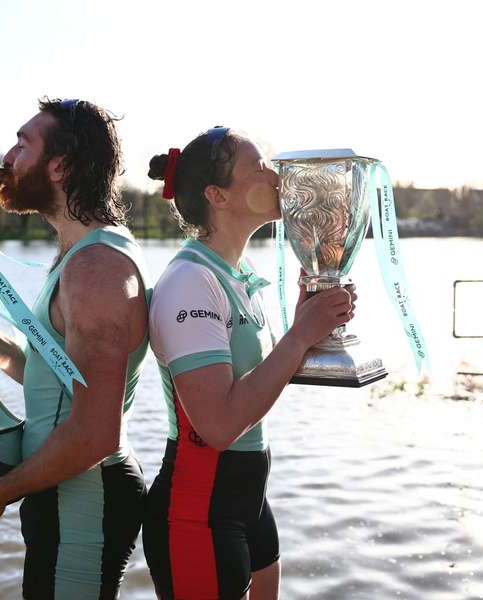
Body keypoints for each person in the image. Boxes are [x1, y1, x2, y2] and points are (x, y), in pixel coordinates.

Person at [0, 98, 150, 600]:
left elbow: (95, 431)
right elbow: (59, 382)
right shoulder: (81, 253)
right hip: (66, 494)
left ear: (61, 165)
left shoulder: (97, 269)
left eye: (23, 143)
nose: (7, 156)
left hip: (85, 499)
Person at [143, 128, 356, 600]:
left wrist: (313, 323)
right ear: (217, 196)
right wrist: (300, 335)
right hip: (198, 509)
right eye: (258, 167)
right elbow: (218, 424)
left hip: (250, 497)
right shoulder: (190, 283)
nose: (275, 176)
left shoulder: (236, 278)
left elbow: (257, 384)